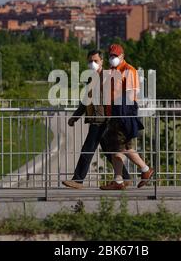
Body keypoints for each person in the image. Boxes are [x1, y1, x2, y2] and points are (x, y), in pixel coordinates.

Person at [62, 50, 131, 190]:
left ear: (102, 61)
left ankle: (78, 180)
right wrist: (75, 117)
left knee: (88, 149)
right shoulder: (91, 78)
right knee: (109, 152)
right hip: (97, 120)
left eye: (95, 60)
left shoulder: (108, 77)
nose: (92, 63)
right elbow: (86, 101)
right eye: (89, 61)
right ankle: (125, 177)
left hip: (103, 121)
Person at [100, 44, 154, 190]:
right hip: (115, 112)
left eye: (115, 56)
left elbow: (130, 95)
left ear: (122, 56)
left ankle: (143, 170)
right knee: (120, 147)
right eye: (111, 55)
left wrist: (120, 111)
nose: (113, 58)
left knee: (119, 147)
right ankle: (122, 179)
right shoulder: (112, 71)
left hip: (124, 112)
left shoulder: (129, 71)